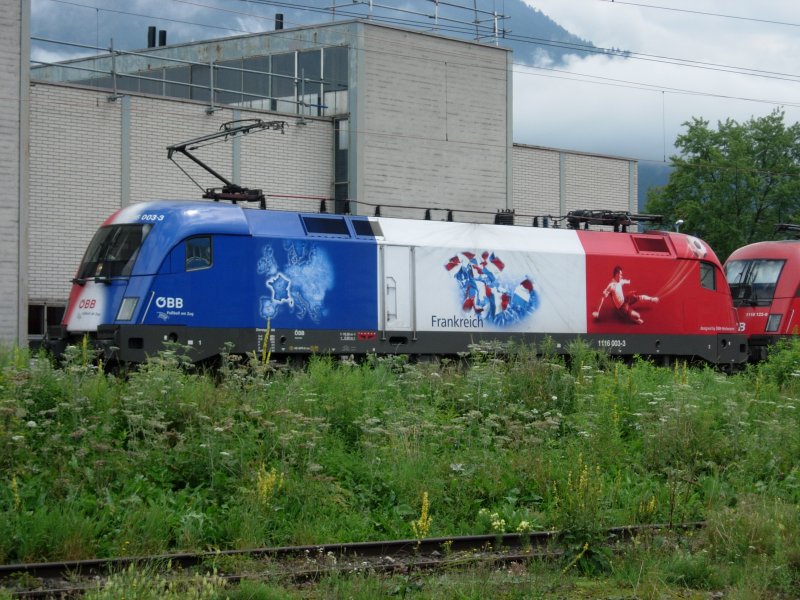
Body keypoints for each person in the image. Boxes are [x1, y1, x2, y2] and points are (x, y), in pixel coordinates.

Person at [592, 265, 658, 325]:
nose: (621, 276)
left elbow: (629, 281)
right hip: (621, 308)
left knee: (637, 296)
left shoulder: (620, 281)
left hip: (625, 299)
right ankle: (633, 319)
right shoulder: (611, 285)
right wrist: (597, 311)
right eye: (621, 274)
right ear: (617, 274)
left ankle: (652, 299)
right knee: (638, 316)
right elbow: (602, 298)